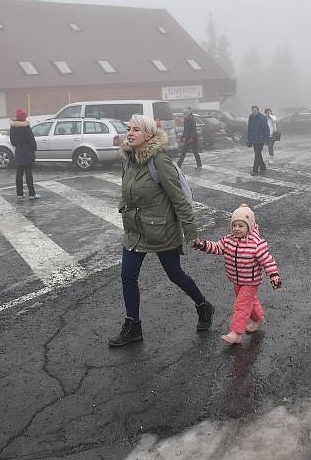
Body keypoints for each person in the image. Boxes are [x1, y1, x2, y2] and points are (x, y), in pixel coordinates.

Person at [109, 114, 215, 347]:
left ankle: (203, 305)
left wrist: (192, 233)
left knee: (175, 274)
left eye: (136, 129)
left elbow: (179, 200)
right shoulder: (127, 160)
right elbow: (128, 190)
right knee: (128, 276)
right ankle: (133, 325)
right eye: (129, 128)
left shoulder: (159, 162)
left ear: (148, 135)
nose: (130, 133)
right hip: (135, 229)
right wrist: (124, 207)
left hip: (161, 229)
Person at [192, 203, 281, 344]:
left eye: (241, 226)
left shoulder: (256, 244)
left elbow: (267, 260)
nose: (236, 229)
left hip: (251, 281)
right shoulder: (229, 240)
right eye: (234, 225)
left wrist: (273, 275)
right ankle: (259, 319)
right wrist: (202, 245)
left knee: (241, 305)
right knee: (249, 301)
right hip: (236, 279)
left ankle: (236, 332)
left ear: (249, 227)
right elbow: (216, 247)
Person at [9, 108, 41, 201]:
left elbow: (13, 141)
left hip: (19, 151)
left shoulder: (13, 127)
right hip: (27, 152)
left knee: (19, 174)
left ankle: (19, 194)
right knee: (28, 174)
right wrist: (34, 148)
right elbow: (31, 139)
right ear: (24, 117)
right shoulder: (26, 127)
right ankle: (32, 194)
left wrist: (19, 145)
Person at [247, 105, 270, 176]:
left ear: (258, 110)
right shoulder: (251, 117)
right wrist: (249, 138)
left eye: (256, 110)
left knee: (257, 154)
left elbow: (266, 129)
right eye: (253, 110)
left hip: (261, 139)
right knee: (258, 154)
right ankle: (263, 167)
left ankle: (255, 170)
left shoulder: (262, 118)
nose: (254, 112)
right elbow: (249, 128)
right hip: (254, 139)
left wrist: (266, 139)